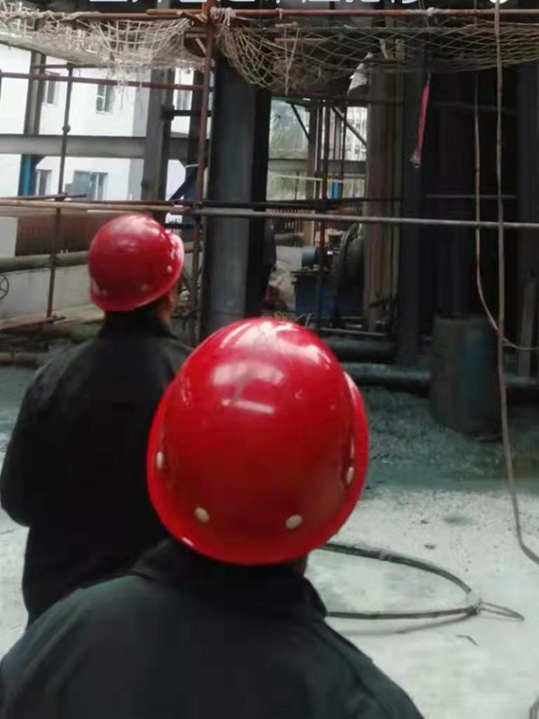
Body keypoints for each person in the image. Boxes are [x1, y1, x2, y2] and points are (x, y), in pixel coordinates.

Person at [0, 318, 425, 719]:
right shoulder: (361, 703)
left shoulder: (55, 646)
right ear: (339, 490)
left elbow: (18, 500)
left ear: (165, 460)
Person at [0, 213, 187, 623]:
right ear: (170, 293)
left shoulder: (51, 381)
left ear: (99, 293)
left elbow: (18, 501)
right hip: (160, 618)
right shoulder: (192, 384)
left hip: (59, 616)